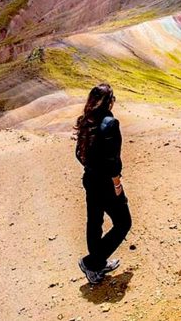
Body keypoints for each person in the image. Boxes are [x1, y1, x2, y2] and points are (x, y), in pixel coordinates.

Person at [75, 83, 132, 284]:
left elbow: (78, 154)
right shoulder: (110, 123)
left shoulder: (85, 121)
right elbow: (113, 160)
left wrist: (91, 168)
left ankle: (97, 264)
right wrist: (117, 184)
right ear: (110, 101)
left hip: (90, 179)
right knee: (124, 222)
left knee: (95, 222)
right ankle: (92, 262)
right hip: (106, 183)